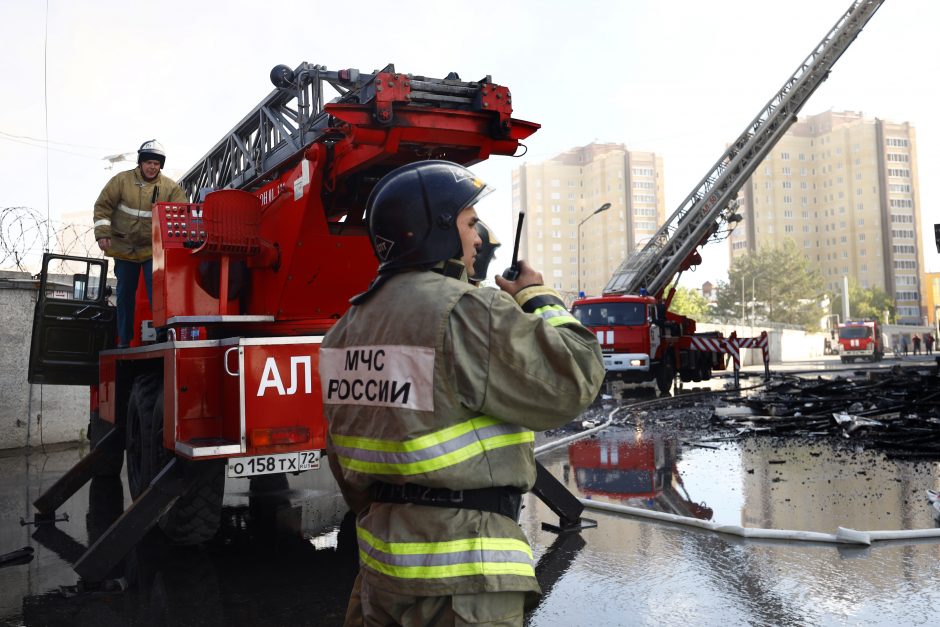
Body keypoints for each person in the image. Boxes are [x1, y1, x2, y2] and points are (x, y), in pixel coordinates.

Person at [318, 160, 605, 627]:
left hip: (381, 568)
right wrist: (537, 298)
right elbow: (576, 379)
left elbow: (342, 455)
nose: (479, 238)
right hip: (466, 573)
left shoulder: (344, 330)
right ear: (434, 229)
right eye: (470, 224)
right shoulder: (466, 309)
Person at [93, 140, 187, 347]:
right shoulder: (121, 181)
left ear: (160, 165)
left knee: (158, 293)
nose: (152, 167)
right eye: (148, 163)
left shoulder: (170, 188)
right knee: (125, 294)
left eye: (156, 163)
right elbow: (103, 207)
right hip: (124, 249)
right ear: (140, 163)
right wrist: (102, 233)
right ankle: (124, 339)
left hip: (151, 250)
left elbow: (182, 213)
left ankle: (162, 334)